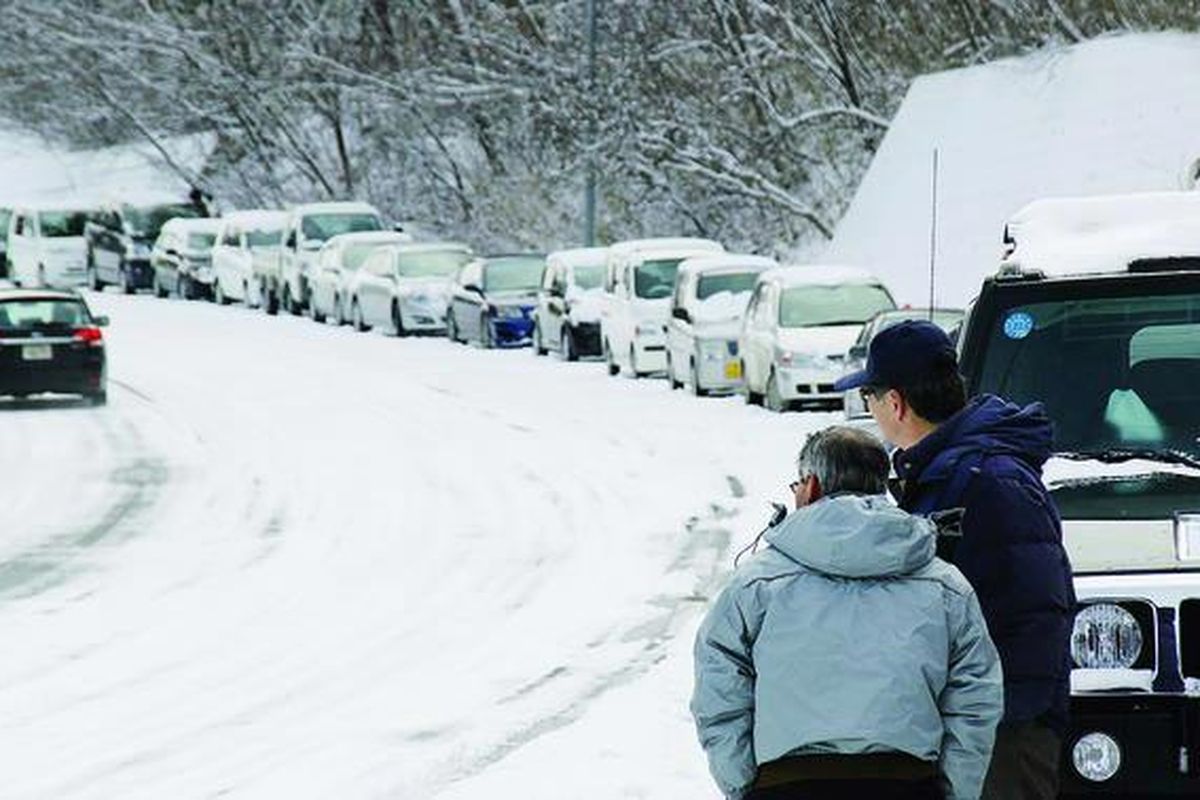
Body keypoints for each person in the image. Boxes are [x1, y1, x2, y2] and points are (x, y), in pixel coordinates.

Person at [691, 426, 1002, 800]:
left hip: (785, 783)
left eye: (797, 486)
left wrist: (744, 785)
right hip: (908, 782)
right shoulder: (945, 585)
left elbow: (719, 692)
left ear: (812, 486)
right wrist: (953, 790)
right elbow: (975, 699)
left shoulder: (755, 584)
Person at [834, 321, 1075, 800]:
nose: (871, 412)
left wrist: (984, 718)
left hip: (1002, 739)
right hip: (966, 731)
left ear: (895, 403)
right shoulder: (943, 475)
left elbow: (1036, 617)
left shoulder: (991, 480)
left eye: (869, 398)